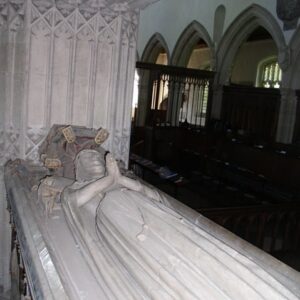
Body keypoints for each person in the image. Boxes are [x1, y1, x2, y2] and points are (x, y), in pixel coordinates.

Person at [61, 149, 298, 300]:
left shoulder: (122, 181)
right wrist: (108, 180)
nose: (95, 160)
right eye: (88, 158)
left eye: (97, 156)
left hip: (154, 217)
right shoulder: (76, 189)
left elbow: (155, 197)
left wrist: (121, 180)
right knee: (170, 267)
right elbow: (73, 202)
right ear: (78, 170)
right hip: (123, 227)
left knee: (195, 252)